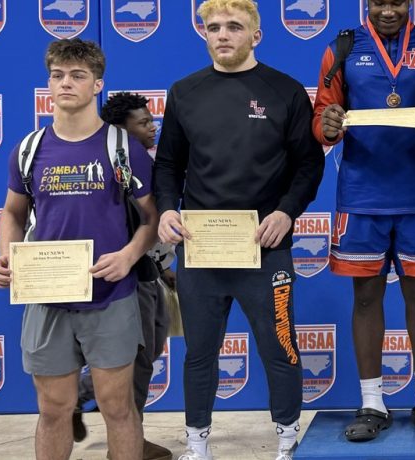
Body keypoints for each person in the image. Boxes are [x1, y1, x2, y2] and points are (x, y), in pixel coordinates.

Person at [152, 1, 325, 459]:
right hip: (201, 249)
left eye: (234, 26)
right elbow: (167, 164)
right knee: (199, 353)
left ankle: (287, 440)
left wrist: (286, 212)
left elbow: (309, 164)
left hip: (264, 247)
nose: (223, 35)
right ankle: (197, 444)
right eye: (213, 27)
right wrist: (167, 209)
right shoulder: (184, 92)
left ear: (256, 35)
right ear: (204, 34)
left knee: (279, 348)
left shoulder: (285, 91)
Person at [0, 38, 156, 460]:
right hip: (47, 297)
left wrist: (128, 256)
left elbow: (153, 220)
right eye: (58, 75)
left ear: (97, 84)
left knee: (118, 408)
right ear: (48, 83)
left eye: (78, 75)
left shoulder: (123, 148)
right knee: (53, 409)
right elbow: (12, 213)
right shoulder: (29, 149)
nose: (66, 83)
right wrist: (7, 254)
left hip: (111, 296)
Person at [312, 0, 415, 443]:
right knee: (365, 299)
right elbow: (320, 120)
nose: (388, 11)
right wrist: (329, 125)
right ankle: (372, 403)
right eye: (379, 2)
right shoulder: (341, 48)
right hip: (361, 198)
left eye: (396, 1)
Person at [70, 92, 173, 460]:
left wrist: (164, 267)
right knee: (138, 359)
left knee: (152, 348)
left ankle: (79, 395)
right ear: (121, 131)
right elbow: (134, 226)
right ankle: (129, 442)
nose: (152, 127)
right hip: (129, 278)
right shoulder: (114, 168)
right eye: (143, 122)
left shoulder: (148, 163)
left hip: (151, 272)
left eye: (151, 119)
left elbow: (154, 227)